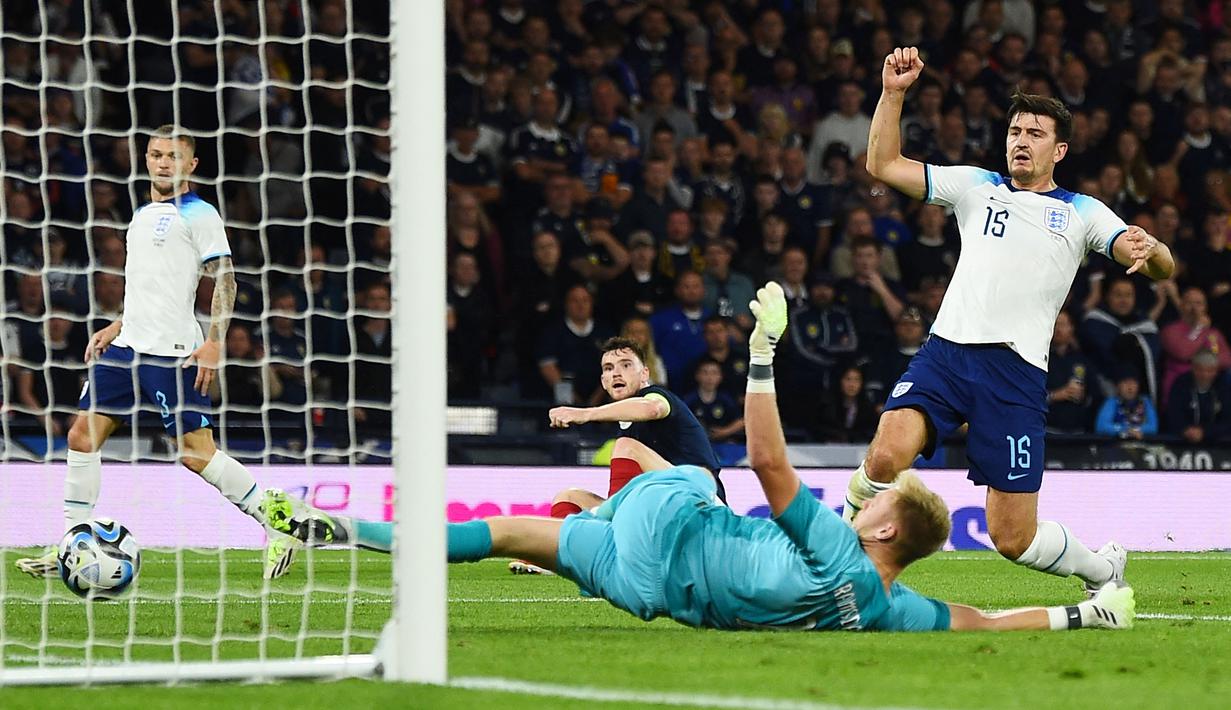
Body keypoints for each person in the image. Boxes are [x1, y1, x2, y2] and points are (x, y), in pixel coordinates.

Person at [263, 283, 1135, 634]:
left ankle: (333, 526)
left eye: (876, 497)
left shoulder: (833, 544)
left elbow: (763, 461)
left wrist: (761, 350)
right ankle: (343, 527)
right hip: (643, 590)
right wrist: (1078, 619)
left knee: (613, 476)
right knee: (508, 534)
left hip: (671, 512)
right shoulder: (881, 608)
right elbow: (980, 625)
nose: (865, 499)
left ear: (879, 519)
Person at [845, 48, 1176, 594]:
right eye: (1015, 131)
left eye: (1035, 133)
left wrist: (1154, 247)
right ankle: (834, 541)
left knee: (1012, 537)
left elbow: (1159, 267)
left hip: (1015, 374)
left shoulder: (1081, 212)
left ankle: (1102, 569)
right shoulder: (977, 187)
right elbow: (883, 166)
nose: (1020, 140)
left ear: (1059, 149)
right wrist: (894, 93)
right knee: (886, 451)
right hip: (946, 355)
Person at [15, 126, 299, 580]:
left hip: (174, 354)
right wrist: (118, 324)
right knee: (81, 438)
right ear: (145, 159)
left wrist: (214, 342)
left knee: (195, 454)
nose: (163, 162)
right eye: (156, 154)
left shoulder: (199, 213)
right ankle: (74, 543)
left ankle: (278, 524)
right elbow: (149, 286)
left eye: (173, 156)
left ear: (192, 164)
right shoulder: (143, 215)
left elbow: (225, 280)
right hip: (128, 348)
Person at [1094, 370, 1159, 440]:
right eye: (1125, 382)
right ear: (1118, 385)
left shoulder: (1145, 402)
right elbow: (1101, 426)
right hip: (1116, 446)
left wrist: (1135, 430)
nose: (1130, 387)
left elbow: (1153, 427)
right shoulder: (1112, 402)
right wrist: (1126, 430)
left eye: (1133, 383)